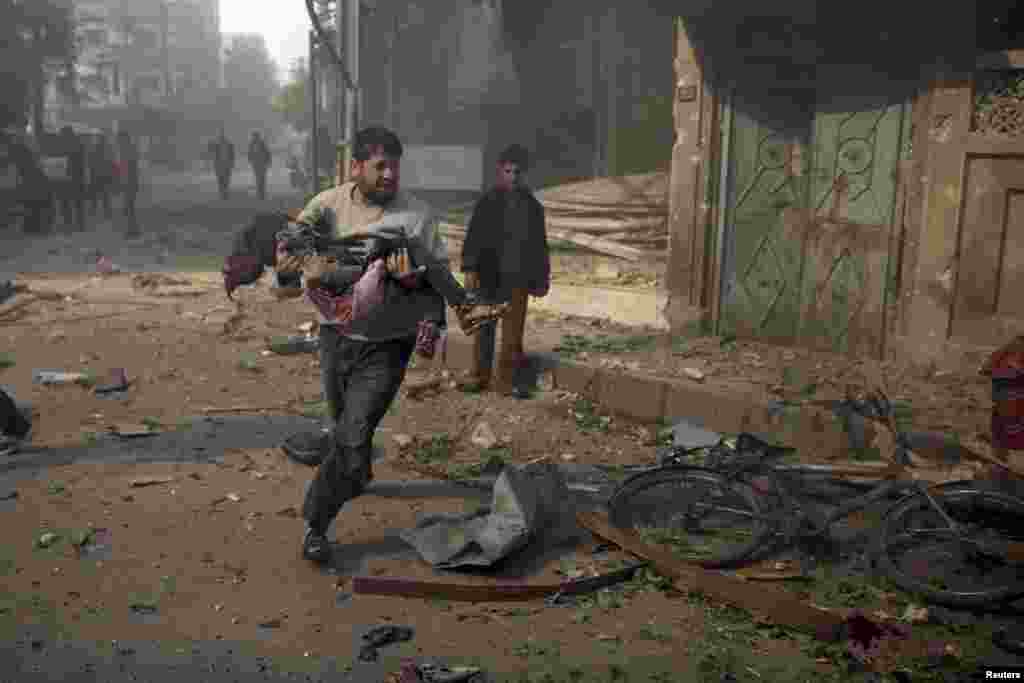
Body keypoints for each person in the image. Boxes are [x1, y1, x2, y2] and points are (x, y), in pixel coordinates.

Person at [274, 126, 500, 563]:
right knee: (347, 433)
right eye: (380, 166)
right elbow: (288, 265)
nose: (390, 174)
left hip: (387, 344)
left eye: (395, 166)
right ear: (355, 167)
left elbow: (432, 283)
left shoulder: (416, 217)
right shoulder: (325, 208)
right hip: (336, 337)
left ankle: (316, 524)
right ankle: (355, 468)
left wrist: (414, 280)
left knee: (354, 435)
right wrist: (292, 265)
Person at [459, 144, 550, 395]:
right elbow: (474, 237)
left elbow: (540, 246)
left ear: (526, 173)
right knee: (484, 330)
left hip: (518, 279)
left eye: (518, 172)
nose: (513, 177)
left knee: (512, 334)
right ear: (500, 171)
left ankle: (506, 380)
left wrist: (541, 279)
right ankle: (479, 375)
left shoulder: (533, 208)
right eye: (508, 171)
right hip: (488, 277)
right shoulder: (487, 202)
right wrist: (469, 268)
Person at [58, 126, 87, 232]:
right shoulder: (78, 144)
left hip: (70, 178)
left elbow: (71, 162)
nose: (61, 136)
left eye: (63, 134)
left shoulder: (66, 145)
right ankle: (79, 225)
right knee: (76, 203)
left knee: (68, 202)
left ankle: (70, 225)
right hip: (75, 178)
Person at [116, 130, 140, 235]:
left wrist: (124, 181)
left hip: (129, 183)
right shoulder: (128, 149)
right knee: (128, 208)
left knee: (129, 208)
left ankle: (132, 230)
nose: (118, 142)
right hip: (129, 182)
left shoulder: (127, 150)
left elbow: (129, 168)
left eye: (119, 140)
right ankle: (132, 229)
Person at [89, 132, 115, 220]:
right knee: (104, 195)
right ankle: (107, 212)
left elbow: (91, 163)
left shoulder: (95, 148)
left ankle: (94, 210)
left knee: (96, 195)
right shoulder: (108, 149)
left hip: (97, 175)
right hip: (104, 175)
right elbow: (111, 163)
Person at [248, 131, 272, 200]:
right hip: (256, 164)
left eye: (256, 136)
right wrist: (251, 160)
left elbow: (267, 153)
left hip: (262, 164)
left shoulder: (262, 144)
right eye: (254, 136)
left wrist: (268, 162)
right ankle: (260, 193)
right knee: (259, 179)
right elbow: (250, 153)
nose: (255, 138)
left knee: (261, 179)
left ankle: (261, 193)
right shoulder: (252, 144)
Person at [212, 131, 235, 199]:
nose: (222, 140)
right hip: (219, 165)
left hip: (226, 165)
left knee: (226, 179)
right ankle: (222, 191)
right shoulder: (217, 146)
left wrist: (231, 163)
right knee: (220, 179)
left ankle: (225, 191)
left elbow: (232, 155)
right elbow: (214, 155)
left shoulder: (229, 145)